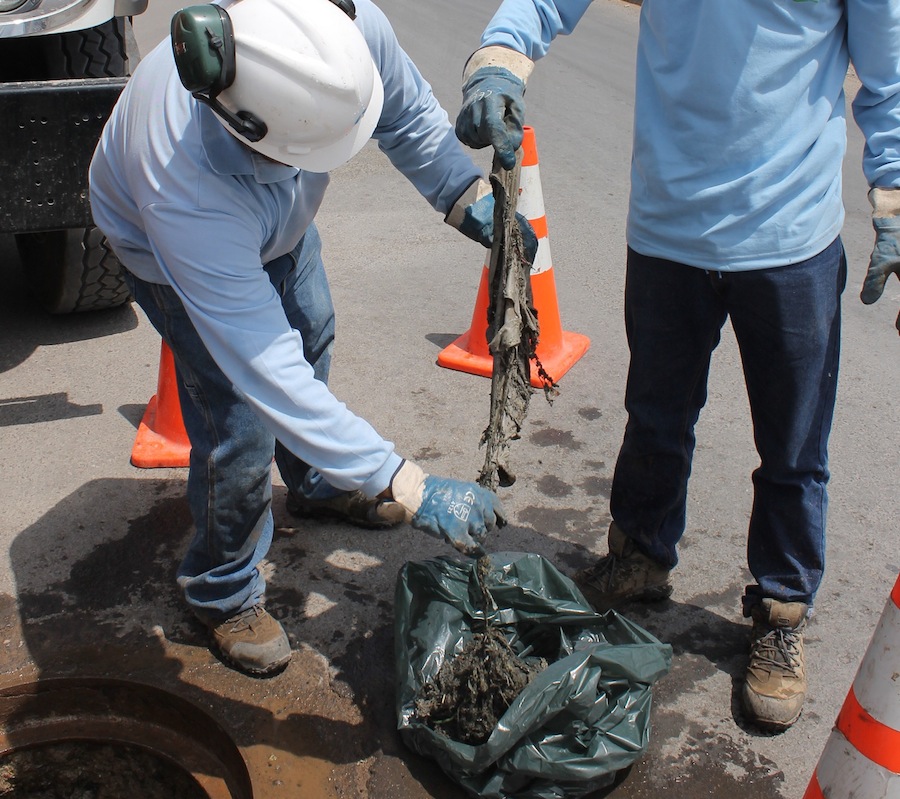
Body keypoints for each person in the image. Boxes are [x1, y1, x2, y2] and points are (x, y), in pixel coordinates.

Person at [454, 0, 900, 731]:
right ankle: (640, 554)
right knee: (656, 418)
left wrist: (896, 197)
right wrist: (498, 60)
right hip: (668, 229)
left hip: (789, 239)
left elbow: (890, 79)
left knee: (793, 446)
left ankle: (781, 609)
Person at [89, 0, 535, 677]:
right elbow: (269, 374)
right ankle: (222, 589)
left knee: (312, 326)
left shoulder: (338, 30)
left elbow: (405, 113)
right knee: (239, 420)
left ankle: (320, 480)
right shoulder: (182, 189)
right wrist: (405, 481)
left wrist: (463, 197)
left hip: (274, 218)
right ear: (253, 132)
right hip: (164, 245)